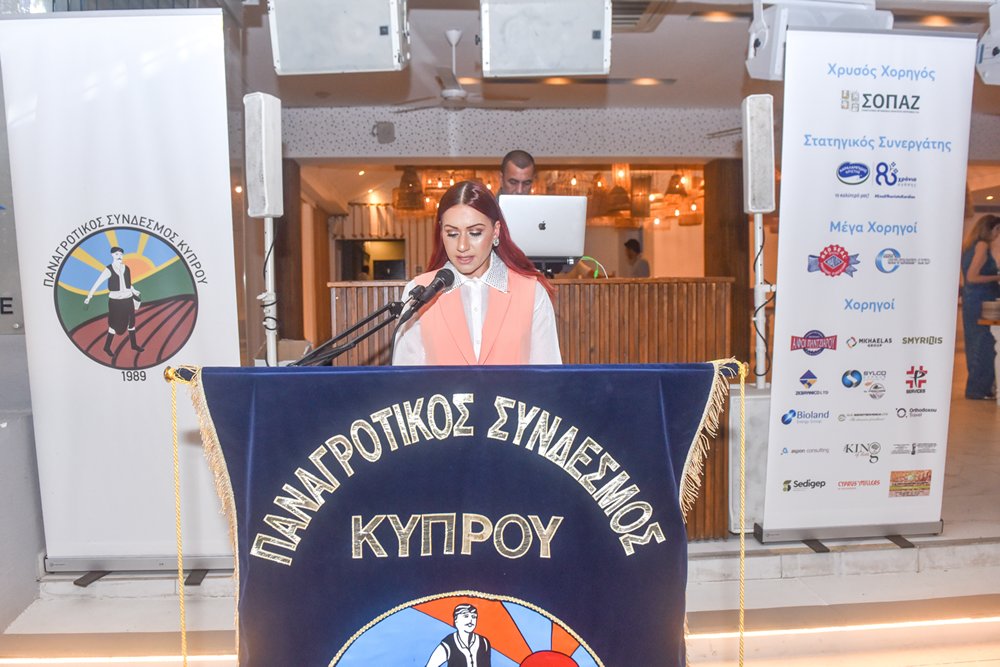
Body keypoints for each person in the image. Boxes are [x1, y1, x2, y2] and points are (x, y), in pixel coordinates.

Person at [392, 180, 561, 365]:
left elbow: (547, 375)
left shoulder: (532, 293)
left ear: (495, 231)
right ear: (441, 233)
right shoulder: (419, 292)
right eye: (452, 234)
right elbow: (406, 378)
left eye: (475, 233)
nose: (462, 246)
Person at [960, 214, 1000, 399]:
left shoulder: (970, 246)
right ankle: (978, 389)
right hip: (981, 300)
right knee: (984, 344)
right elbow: (972, 277)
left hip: (973, 300)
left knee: (976, 343)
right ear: (990, 229)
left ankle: (978, 388)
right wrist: (997, 276)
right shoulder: (982, 245)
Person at [84, 246, 144, 356]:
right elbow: (98, 283)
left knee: (131, 322)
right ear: (112, 255)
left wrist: (134, 290)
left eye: (121, 254)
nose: (119, 256)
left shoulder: (126, 268)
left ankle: (134, 344)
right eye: (116, 254)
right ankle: (107, 347)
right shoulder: (109, 269)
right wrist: (89, 296)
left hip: (128, 299)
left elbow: (128, 283)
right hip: (115, 301)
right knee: (113, 324)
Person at [425, 603, 491, 667]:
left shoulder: (484, 642)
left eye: (474, 617)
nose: (471, 620)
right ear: (456, 620)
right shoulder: (448, 643)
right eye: (466, 616)